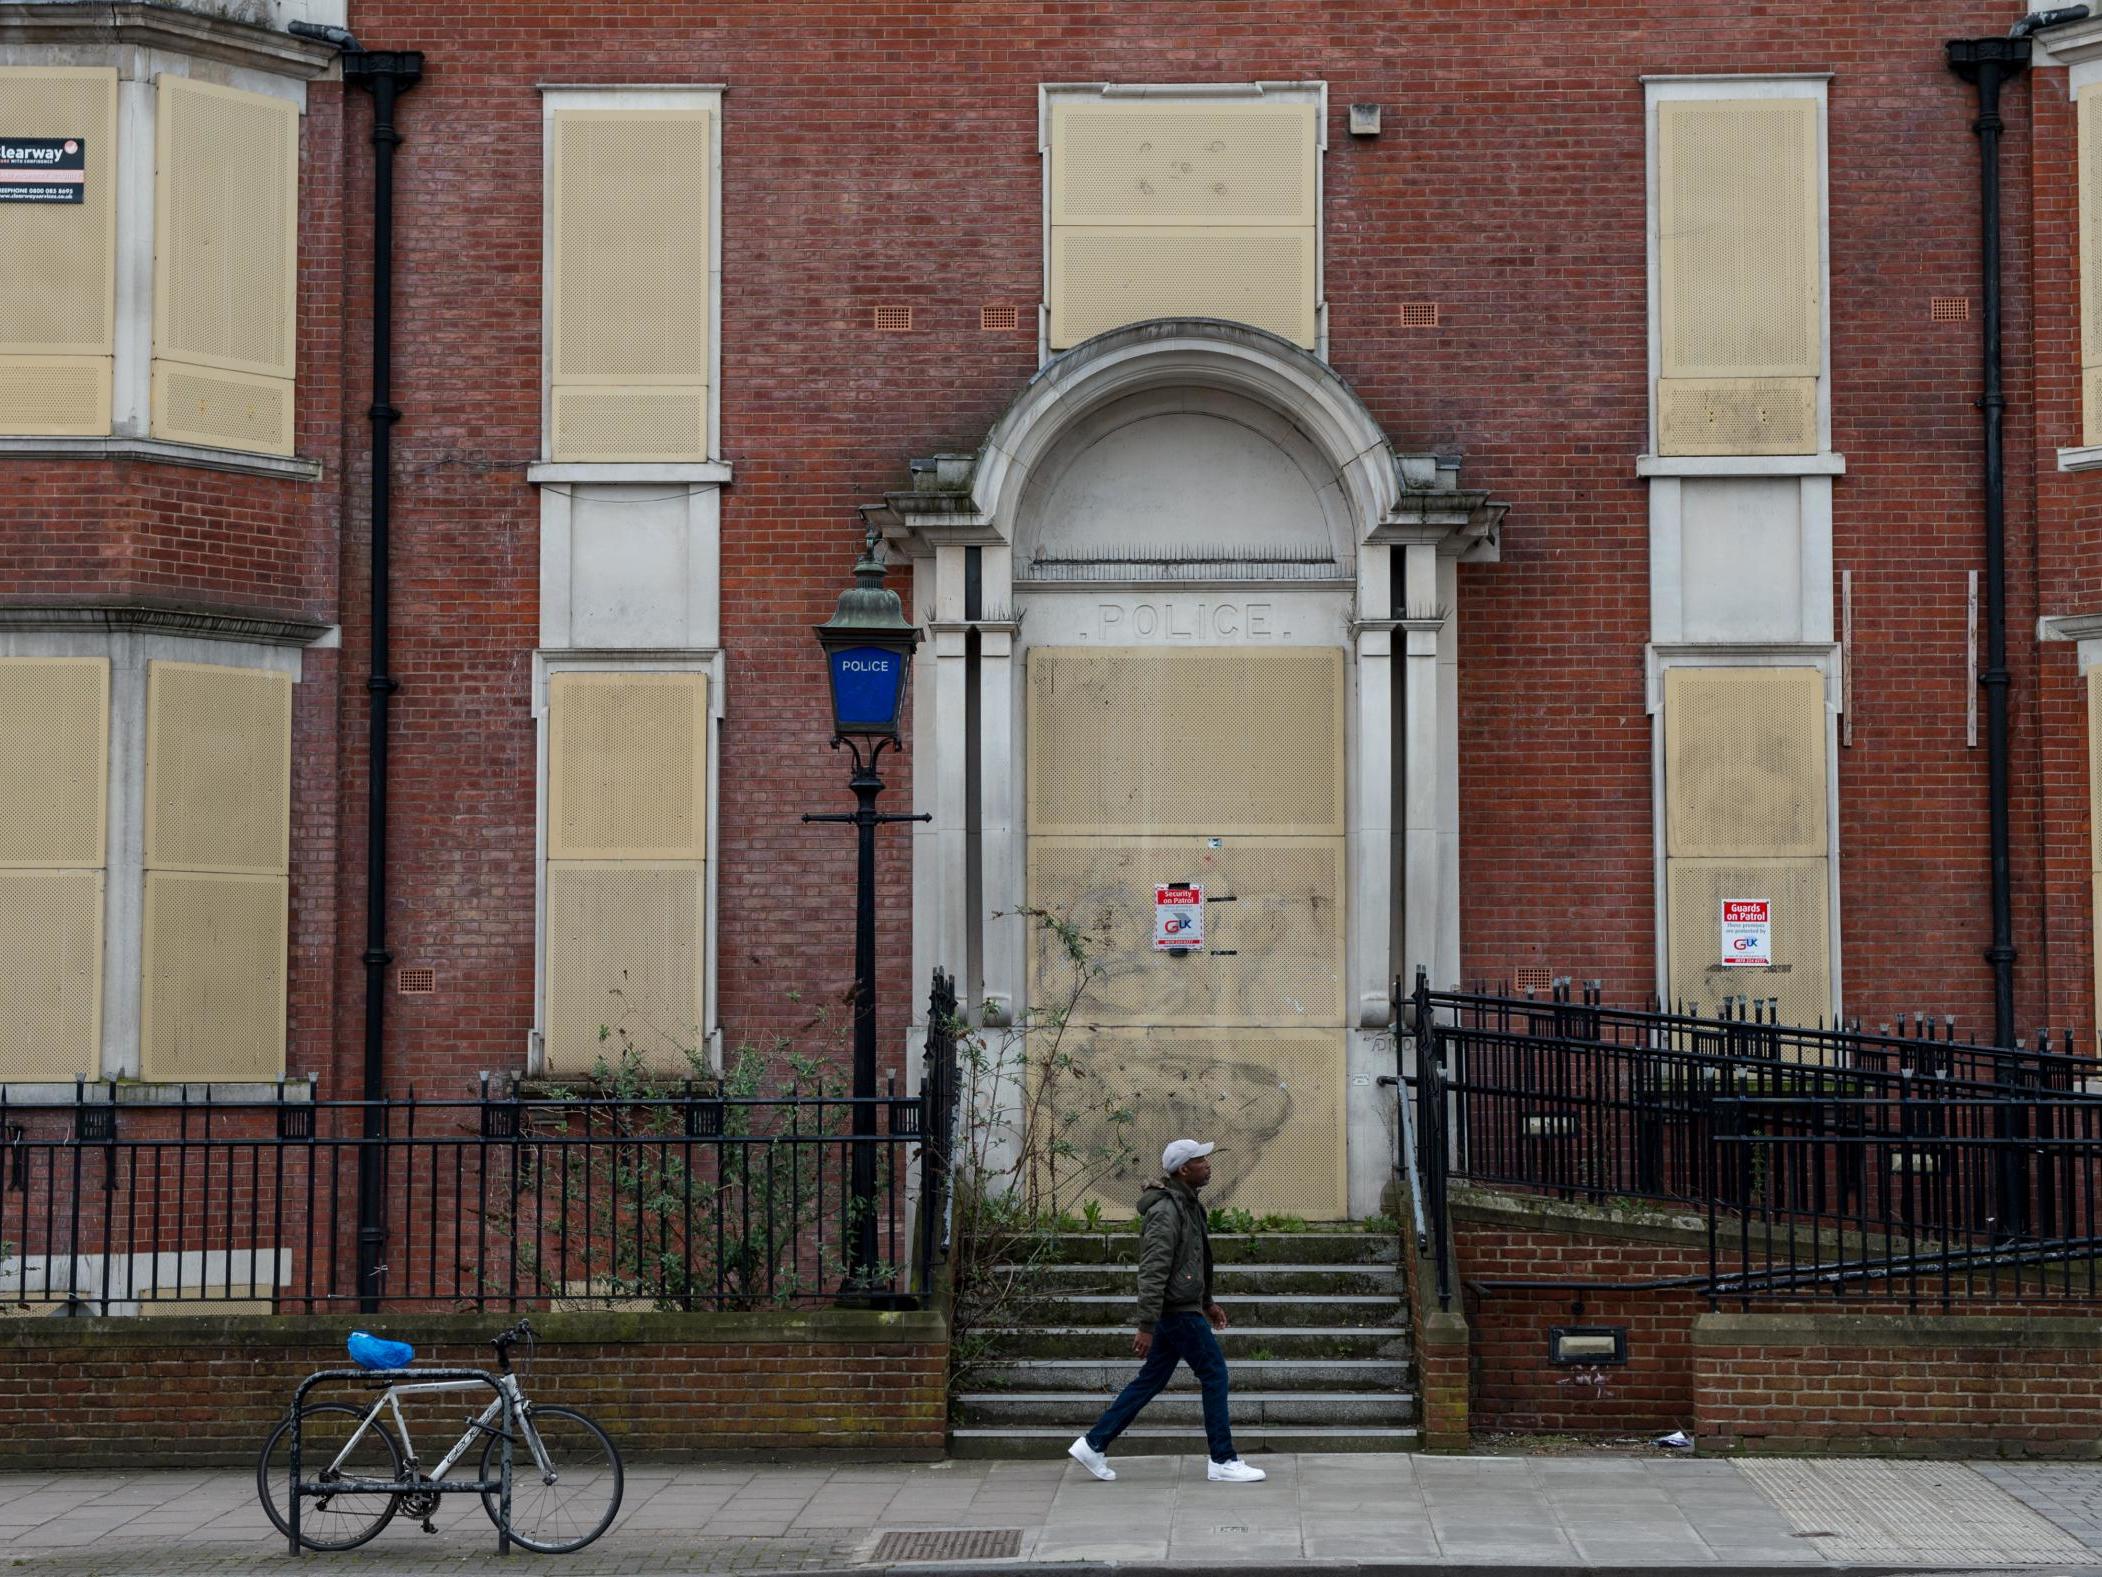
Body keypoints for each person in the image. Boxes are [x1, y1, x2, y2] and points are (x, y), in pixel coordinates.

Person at [1068, 1139, 1266, 1484]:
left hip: (1183, 1306)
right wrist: (1147, 1324)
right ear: (1183, 1169)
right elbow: (1153, 1269)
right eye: (1201, 1161)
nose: (1208, 1165)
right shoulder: (1166, 1211)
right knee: (1215, 1373)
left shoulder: (1187, 1205)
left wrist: (1207, 1302)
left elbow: (1191, 1261)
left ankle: (1093, 1443)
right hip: (1175, 1311)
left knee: (1152, 1379)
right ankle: (1222, 1458)